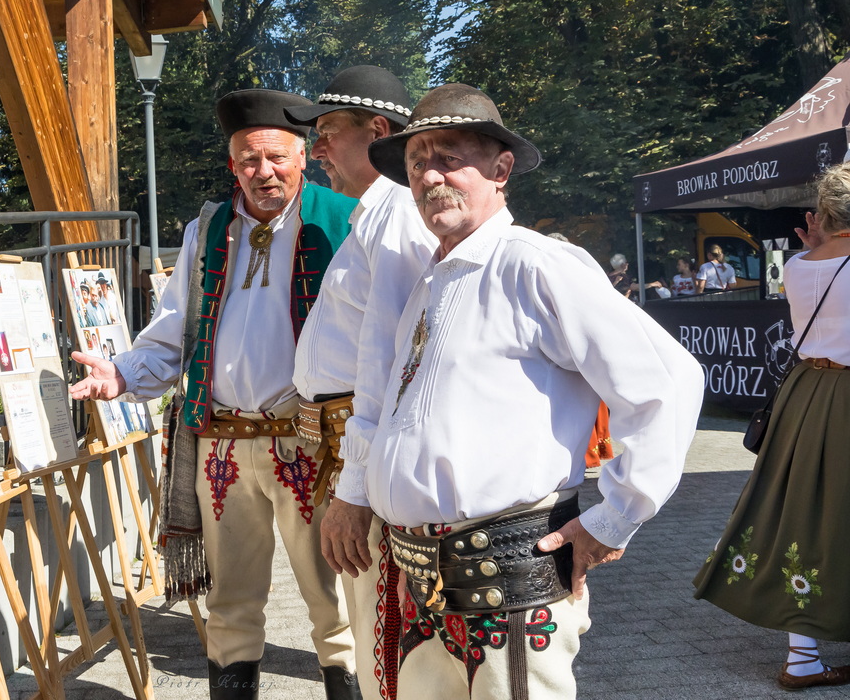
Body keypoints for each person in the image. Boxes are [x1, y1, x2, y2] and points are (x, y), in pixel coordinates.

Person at [321, 83, 704, 699]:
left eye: (449, 157)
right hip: (420, 583)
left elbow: (668, 381)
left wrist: (614, 516)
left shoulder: (535, 265)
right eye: (418, 161)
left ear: (501, 170)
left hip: (509, 584)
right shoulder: (429, 281)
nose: (430, 175)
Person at [69, 88, 361, 700]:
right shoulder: (208, 228)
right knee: (230, 603)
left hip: (312, 444)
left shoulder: (346, 220)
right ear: (232, 165)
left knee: (333, 598)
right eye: (248, 160)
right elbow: (175, 328)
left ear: (303, 156)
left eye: (276, 157)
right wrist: (120, 375)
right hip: (221, 444)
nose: (263, 172)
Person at [285, 65, 436, 700]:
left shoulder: (396, 213)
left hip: (364, 447)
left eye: (326, 133)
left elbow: (395, 366)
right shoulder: (373, 215)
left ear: (378, 131)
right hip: (348, 442)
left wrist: (357, 490)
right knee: (372, 629)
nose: (315, 150)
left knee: (383, 641)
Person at [694, 161, 850, 690]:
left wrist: (817, 242)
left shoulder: (803, 266)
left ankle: (802, 656)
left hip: (805, 397)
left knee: (800, 514)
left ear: (824, 214)